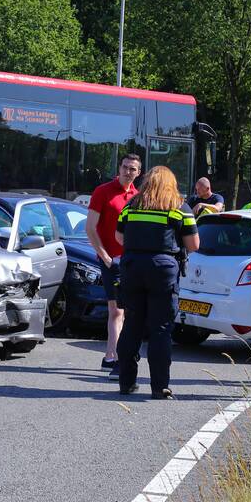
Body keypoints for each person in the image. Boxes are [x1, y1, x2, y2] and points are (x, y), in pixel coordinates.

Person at [113, 166, 199, 399]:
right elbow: (193, 245)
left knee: (132, 325)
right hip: (163, 270)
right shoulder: (179, 208)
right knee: (161, 330)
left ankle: (126, 383)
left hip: (132, 268)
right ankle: (160, 387)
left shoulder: (132, 206)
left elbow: (118, 236)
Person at [85, 153, 141, 377]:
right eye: (125, 167)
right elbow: (90, 228)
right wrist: (105, 257)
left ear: (139, 173)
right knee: (116, 310)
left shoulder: (138, 197)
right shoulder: (103, 192)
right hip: (110, 260)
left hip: (132, 261)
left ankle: (113, 355)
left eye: (133, 169)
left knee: (126, 311)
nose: (128, 172)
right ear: (119, 168)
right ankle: (113, 357)